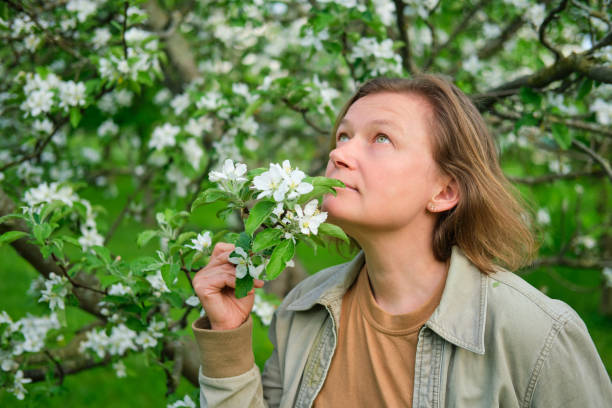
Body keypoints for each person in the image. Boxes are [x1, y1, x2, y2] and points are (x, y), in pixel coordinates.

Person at [191, 75, 611, 407]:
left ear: (444, 191)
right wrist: (228, 335)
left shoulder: (535, 334)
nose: (340, 154)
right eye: (342, 136)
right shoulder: (303, 311)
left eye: (381, 138)